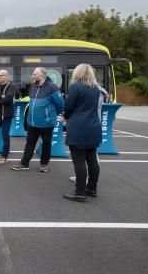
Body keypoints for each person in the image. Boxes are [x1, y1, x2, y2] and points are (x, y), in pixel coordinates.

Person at [62, 64, 102, 202]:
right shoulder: (96, 89)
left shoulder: (75, 87)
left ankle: (79, 192)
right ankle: (91, 188)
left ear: (77, 73)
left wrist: (65, 116)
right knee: (92, 160)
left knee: (79, 162)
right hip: (94, 126)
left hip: (79, 127)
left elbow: (68, 106)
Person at [11, 67, 64, 173]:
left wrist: (52, 115)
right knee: (29, 143)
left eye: (35, 74)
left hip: (47, 123)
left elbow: (61, 104)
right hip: (32, 122)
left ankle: (44, 164)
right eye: (33, 74)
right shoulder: (33, 87)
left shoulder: (52, 87)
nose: (33, 76)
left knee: (46, 143)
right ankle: (24, 163)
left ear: (42, 76)